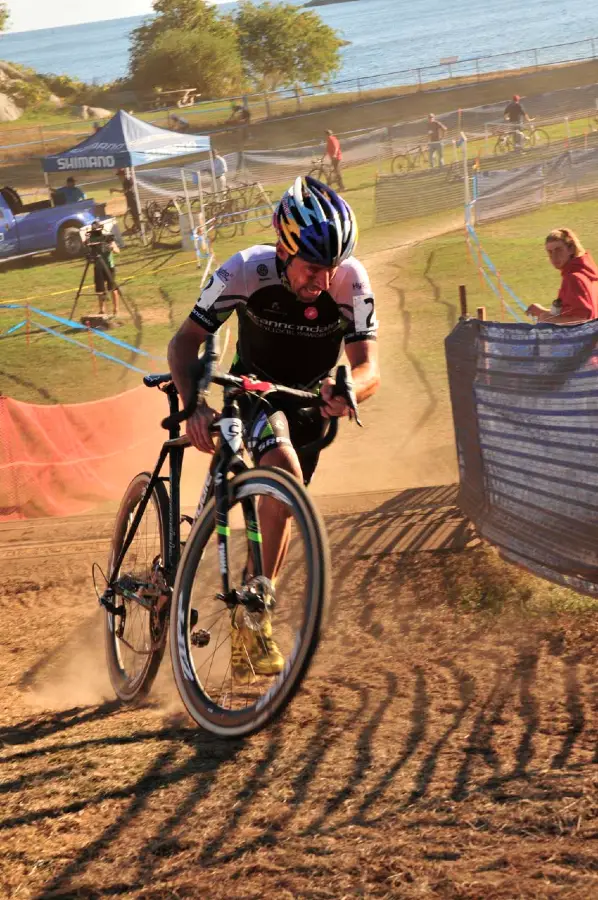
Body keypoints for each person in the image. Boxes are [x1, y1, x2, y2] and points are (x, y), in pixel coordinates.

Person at [167, 176, 380, 679]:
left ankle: (246, 612)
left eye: (331, 268)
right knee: (283, 472)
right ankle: (261, 615)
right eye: (312, 268)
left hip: (309, 401)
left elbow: (370, 366)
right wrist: (194, 404)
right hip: (252, 389)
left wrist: (349, 390)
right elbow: (184, 343)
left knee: (283, 503)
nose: (322, 281)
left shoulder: (352, 281)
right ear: (284, 250)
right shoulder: (245, 269)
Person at [527, 228, 598, 325]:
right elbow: (571, 313)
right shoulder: (585, 272)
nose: (554, 256)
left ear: (571, 249)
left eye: (558, 250)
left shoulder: (573, 278)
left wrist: (546, 319)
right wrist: (542, 311)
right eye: (550, 252)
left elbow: (582, 319)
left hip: (585, 339)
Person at [87, 220, 120, 318]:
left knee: (112, 288)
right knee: (100, 290)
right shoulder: (91, 239)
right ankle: (102, 310)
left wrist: (112, 248)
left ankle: (116, 309)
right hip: (98, 266)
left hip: (109, 266)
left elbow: (117, 250)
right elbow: (89, 251)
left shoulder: (107, 237)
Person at [110, 168, 141, 234]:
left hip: (132, 200)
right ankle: (137, 228)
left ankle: (140, 228)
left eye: (119, 176)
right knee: (134, 215)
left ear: (123, 175)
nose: (118, 177)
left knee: (136, 215)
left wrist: (114, 190)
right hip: (130, 200)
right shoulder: (125, 181)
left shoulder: (126, 181)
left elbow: (125, 191)